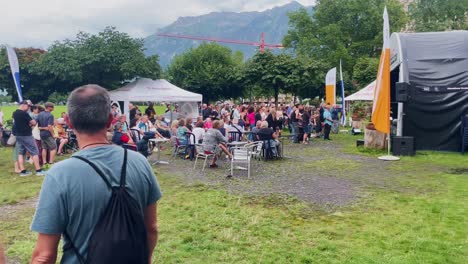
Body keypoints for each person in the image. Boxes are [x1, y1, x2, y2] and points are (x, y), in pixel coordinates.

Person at [30, 84, 161, 263]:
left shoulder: (59, 175)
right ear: (109, 121)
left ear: (68, 122)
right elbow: (151, 228)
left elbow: (44, 256)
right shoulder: (140, 162)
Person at [13, 101, 46, 176]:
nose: (29, 108)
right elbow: (33, 123)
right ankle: (38, 170)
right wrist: (33, 120)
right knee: (35, 151)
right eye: (28, 106)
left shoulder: (15, 113)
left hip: (18, 135)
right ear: (23, 105)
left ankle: (23, 171)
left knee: (21, 153)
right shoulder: (24, 113)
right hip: (26, 135)